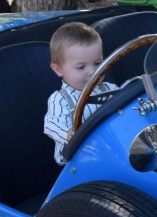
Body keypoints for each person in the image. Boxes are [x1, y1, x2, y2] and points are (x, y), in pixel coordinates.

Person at [43, 22, 117, 165]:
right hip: (79, 161)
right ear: (59, 70)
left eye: (98, 63)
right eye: (81, 67)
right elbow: (51, 124)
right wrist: (68, 134)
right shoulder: (60, 99)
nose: (93, 72)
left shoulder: (109, 88)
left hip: (110, 150)